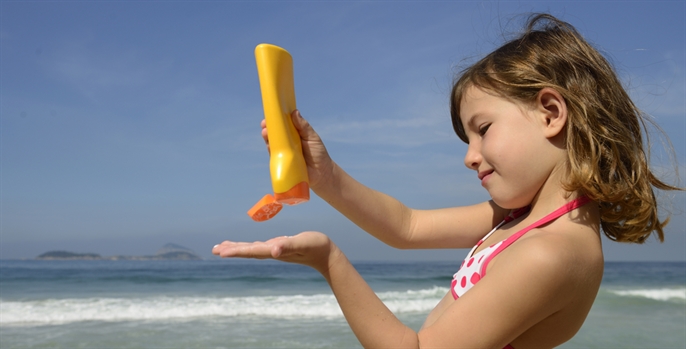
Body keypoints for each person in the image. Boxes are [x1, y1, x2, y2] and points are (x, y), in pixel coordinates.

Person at [213, 13, 682, 348]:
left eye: (482, 130)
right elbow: (406, 227)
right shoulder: (518, 221)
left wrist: (329, 260)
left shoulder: (550, 252)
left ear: (551, 113)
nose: (469, 157)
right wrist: (325, 174)